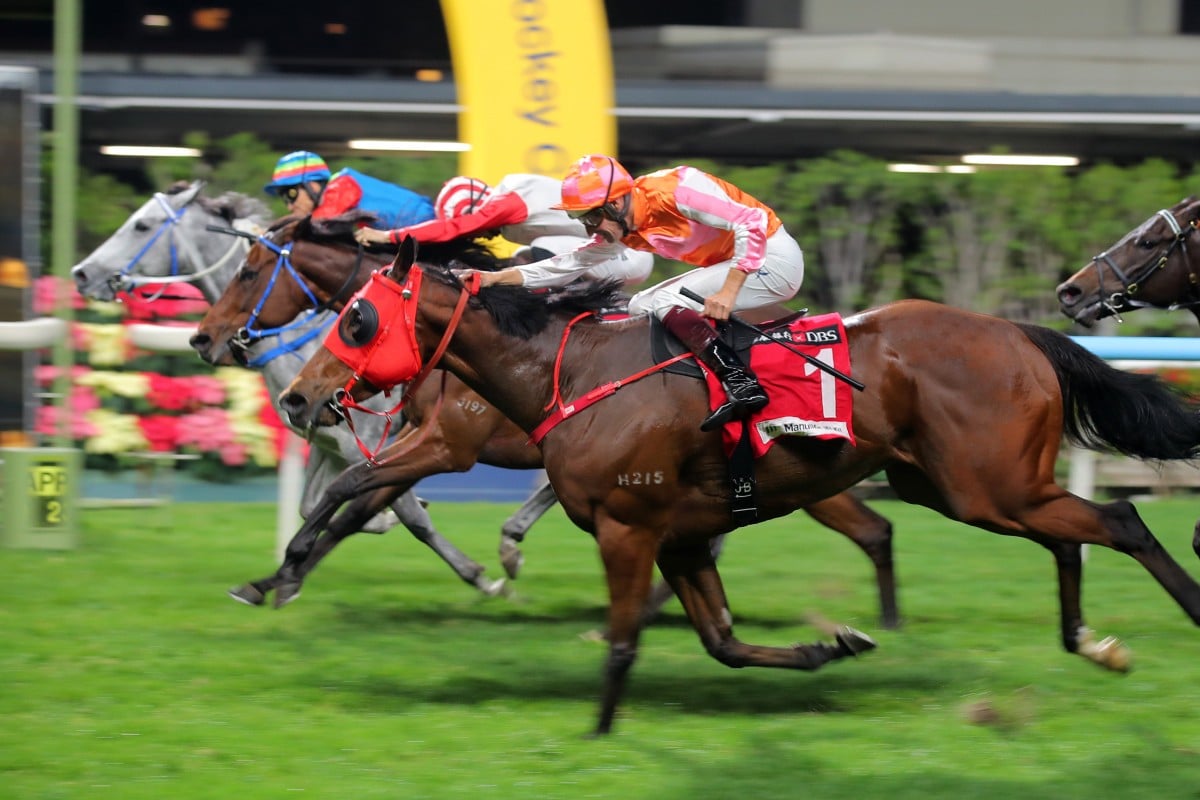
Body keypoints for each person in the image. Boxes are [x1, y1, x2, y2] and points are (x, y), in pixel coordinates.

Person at [458, 154, 805, 432]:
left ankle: (741, 382)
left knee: (667, 302)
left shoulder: (676, 190)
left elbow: (752, 223)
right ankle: (699, 384)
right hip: (740, 265)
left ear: (615, 204)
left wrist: (730, 291)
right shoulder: (625, 226)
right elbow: (566, 265)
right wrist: (492, 279)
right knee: (641, 305)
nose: (587, 227)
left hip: (774, 260)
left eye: (590, 217)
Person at [354, 173, 653, 287]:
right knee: (523, 255)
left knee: (537, 251)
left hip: (630, 256)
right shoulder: (507, 208)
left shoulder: (509, 199)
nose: (481, 236)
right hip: (605, 258)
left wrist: (386, 236)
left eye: (477, 229)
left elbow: (458, 226)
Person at [262, 150, 435, 230]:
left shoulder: (341, 186)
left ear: (312, 186)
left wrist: (272, 231)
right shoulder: (340, 188)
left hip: (426, 225)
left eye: (291, 195)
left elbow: (315, 224)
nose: (290, 206)